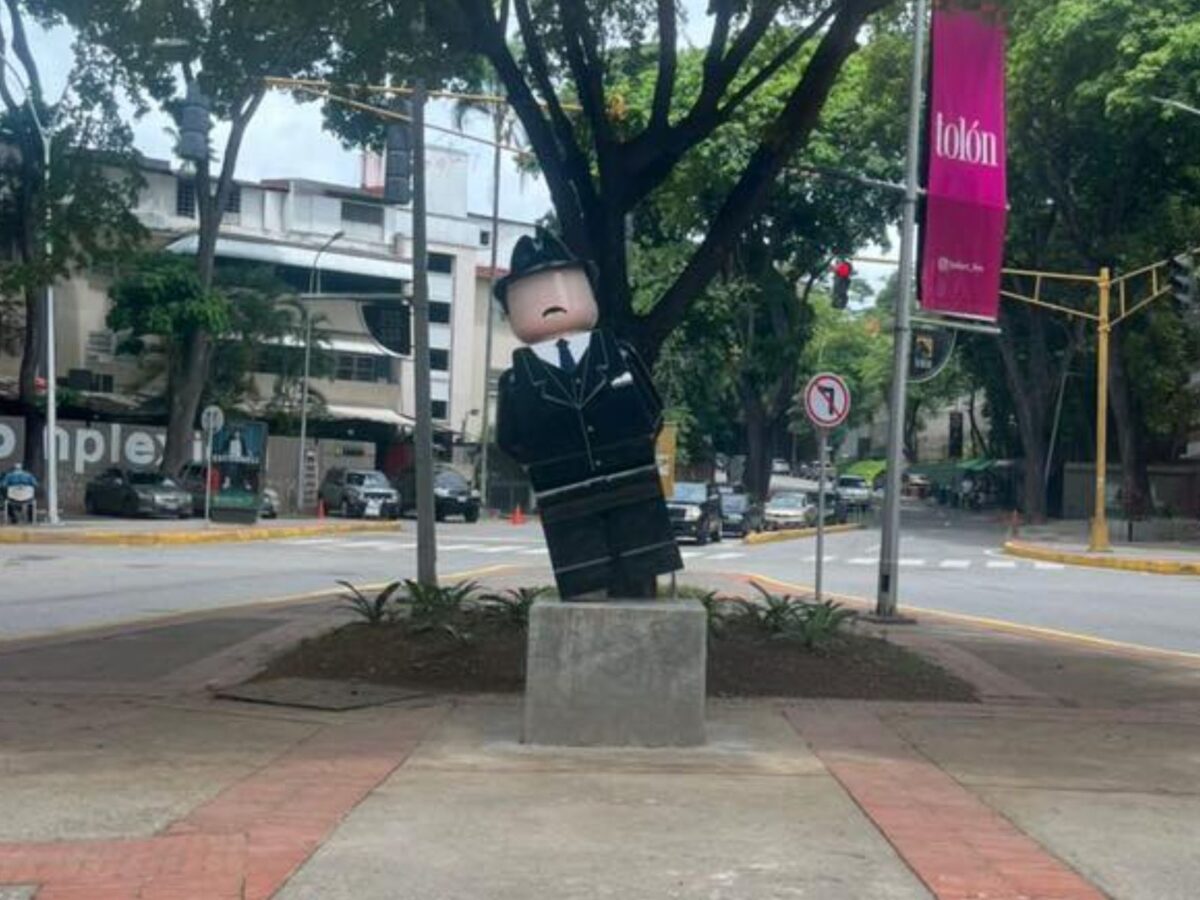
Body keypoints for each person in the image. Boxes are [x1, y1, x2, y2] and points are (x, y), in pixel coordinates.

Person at [495, 227, 682, 600]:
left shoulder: (620, 355)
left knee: (640, 563)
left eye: (562, 286)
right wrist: (548, 459)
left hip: (631, 481)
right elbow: (510, 437)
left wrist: (632, 446)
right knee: (582, 572)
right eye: (531, 294)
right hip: (565, 493)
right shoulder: (517, 380)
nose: (549, 300)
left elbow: (652, 409)